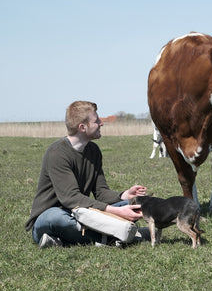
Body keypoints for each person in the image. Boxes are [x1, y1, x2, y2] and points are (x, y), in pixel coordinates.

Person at [25, 101, 147, 248]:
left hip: (83, 213)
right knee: (55, 217)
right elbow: (71, 198)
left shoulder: (93, 150)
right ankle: (122, 236)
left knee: (136, 204)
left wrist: (125, 195)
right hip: (53, 219)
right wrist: (115, 211)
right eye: (96, 121)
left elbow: (101, 193)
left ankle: (65, 241)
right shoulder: (57, 153)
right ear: (82, 127)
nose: (101, 123)